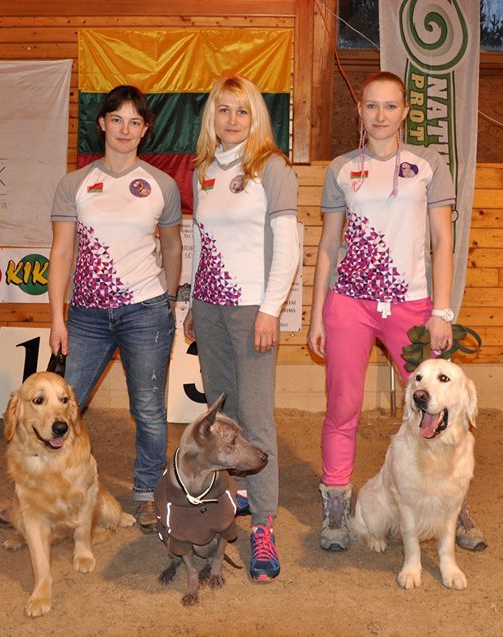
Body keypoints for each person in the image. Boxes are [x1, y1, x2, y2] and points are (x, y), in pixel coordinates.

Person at [308, 71, 485, 552]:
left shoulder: (428, 165)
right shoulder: (342, 169)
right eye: (371, 105)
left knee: (436, 404)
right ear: (360, 111)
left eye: (390, 106)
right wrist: (317, 313)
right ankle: (337, 499)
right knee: (342, 406)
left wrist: (443, 311)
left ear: (405, 112)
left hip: (412, 305)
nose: (380, 115)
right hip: (349, 303)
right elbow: (328, 245)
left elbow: (442, 241)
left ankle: (454, 502)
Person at [49, 85, 182, 532]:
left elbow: (172, 246)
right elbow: (61, 253)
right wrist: (57, 318)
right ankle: (51, 494)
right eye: (117, 119)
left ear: (145, 130)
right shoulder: (75, 184)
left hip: (145, 313)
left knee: (148, 410)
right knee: (61, 408)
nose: (125, 129)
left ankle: (147, 493)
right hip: (86, 317)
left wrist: (168, 299)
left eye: (135, 122)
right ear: (103, 123)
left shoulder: (162, 185)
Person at [183, 75, 300, 582]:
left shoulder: (272, 168)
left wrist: (270, 310)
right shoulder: (203, 170)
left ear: (257, 118)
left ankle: (264, 526)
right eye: (224, 110)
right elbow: (200, 241)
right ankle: (234, 497)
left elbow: (288, 248)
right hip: (209, 308)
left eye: (242, 111)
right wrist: (193, 300)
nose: (232, 120)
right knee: (220, 416)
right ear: (212, 116)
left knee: (254, 417)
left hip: (252, 309)